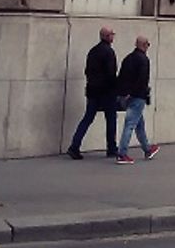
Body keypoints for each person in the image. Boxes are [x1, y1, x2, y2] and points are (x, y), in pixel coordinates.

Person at [67, 26, 118, 160]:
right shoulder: (109, 52)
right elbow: (111, 74)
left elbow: (87, 71)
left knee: (88, 118)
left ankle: (74, 146)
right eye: (112, 34)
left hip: (93, 90)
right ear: (107, 36)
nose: (113, 36)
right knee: (111, 119)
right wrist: (116, 89)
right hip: (106, 92)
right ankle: (111, 148)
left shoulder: (93, 51)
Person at [116, 35, 160, 164]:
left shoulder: (128, 58)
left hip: (126, 95)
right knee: (130, 124)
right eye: (148, 44)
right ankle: (122, 154)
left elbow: (121, 77)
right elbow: (142, 80)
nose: (148, 47)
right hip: (137, 96)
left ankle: (147, 149)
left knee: (139, 124)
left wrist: (123, 93)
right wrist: (134, 92)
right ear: (144, 44)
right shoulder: (143, 60)